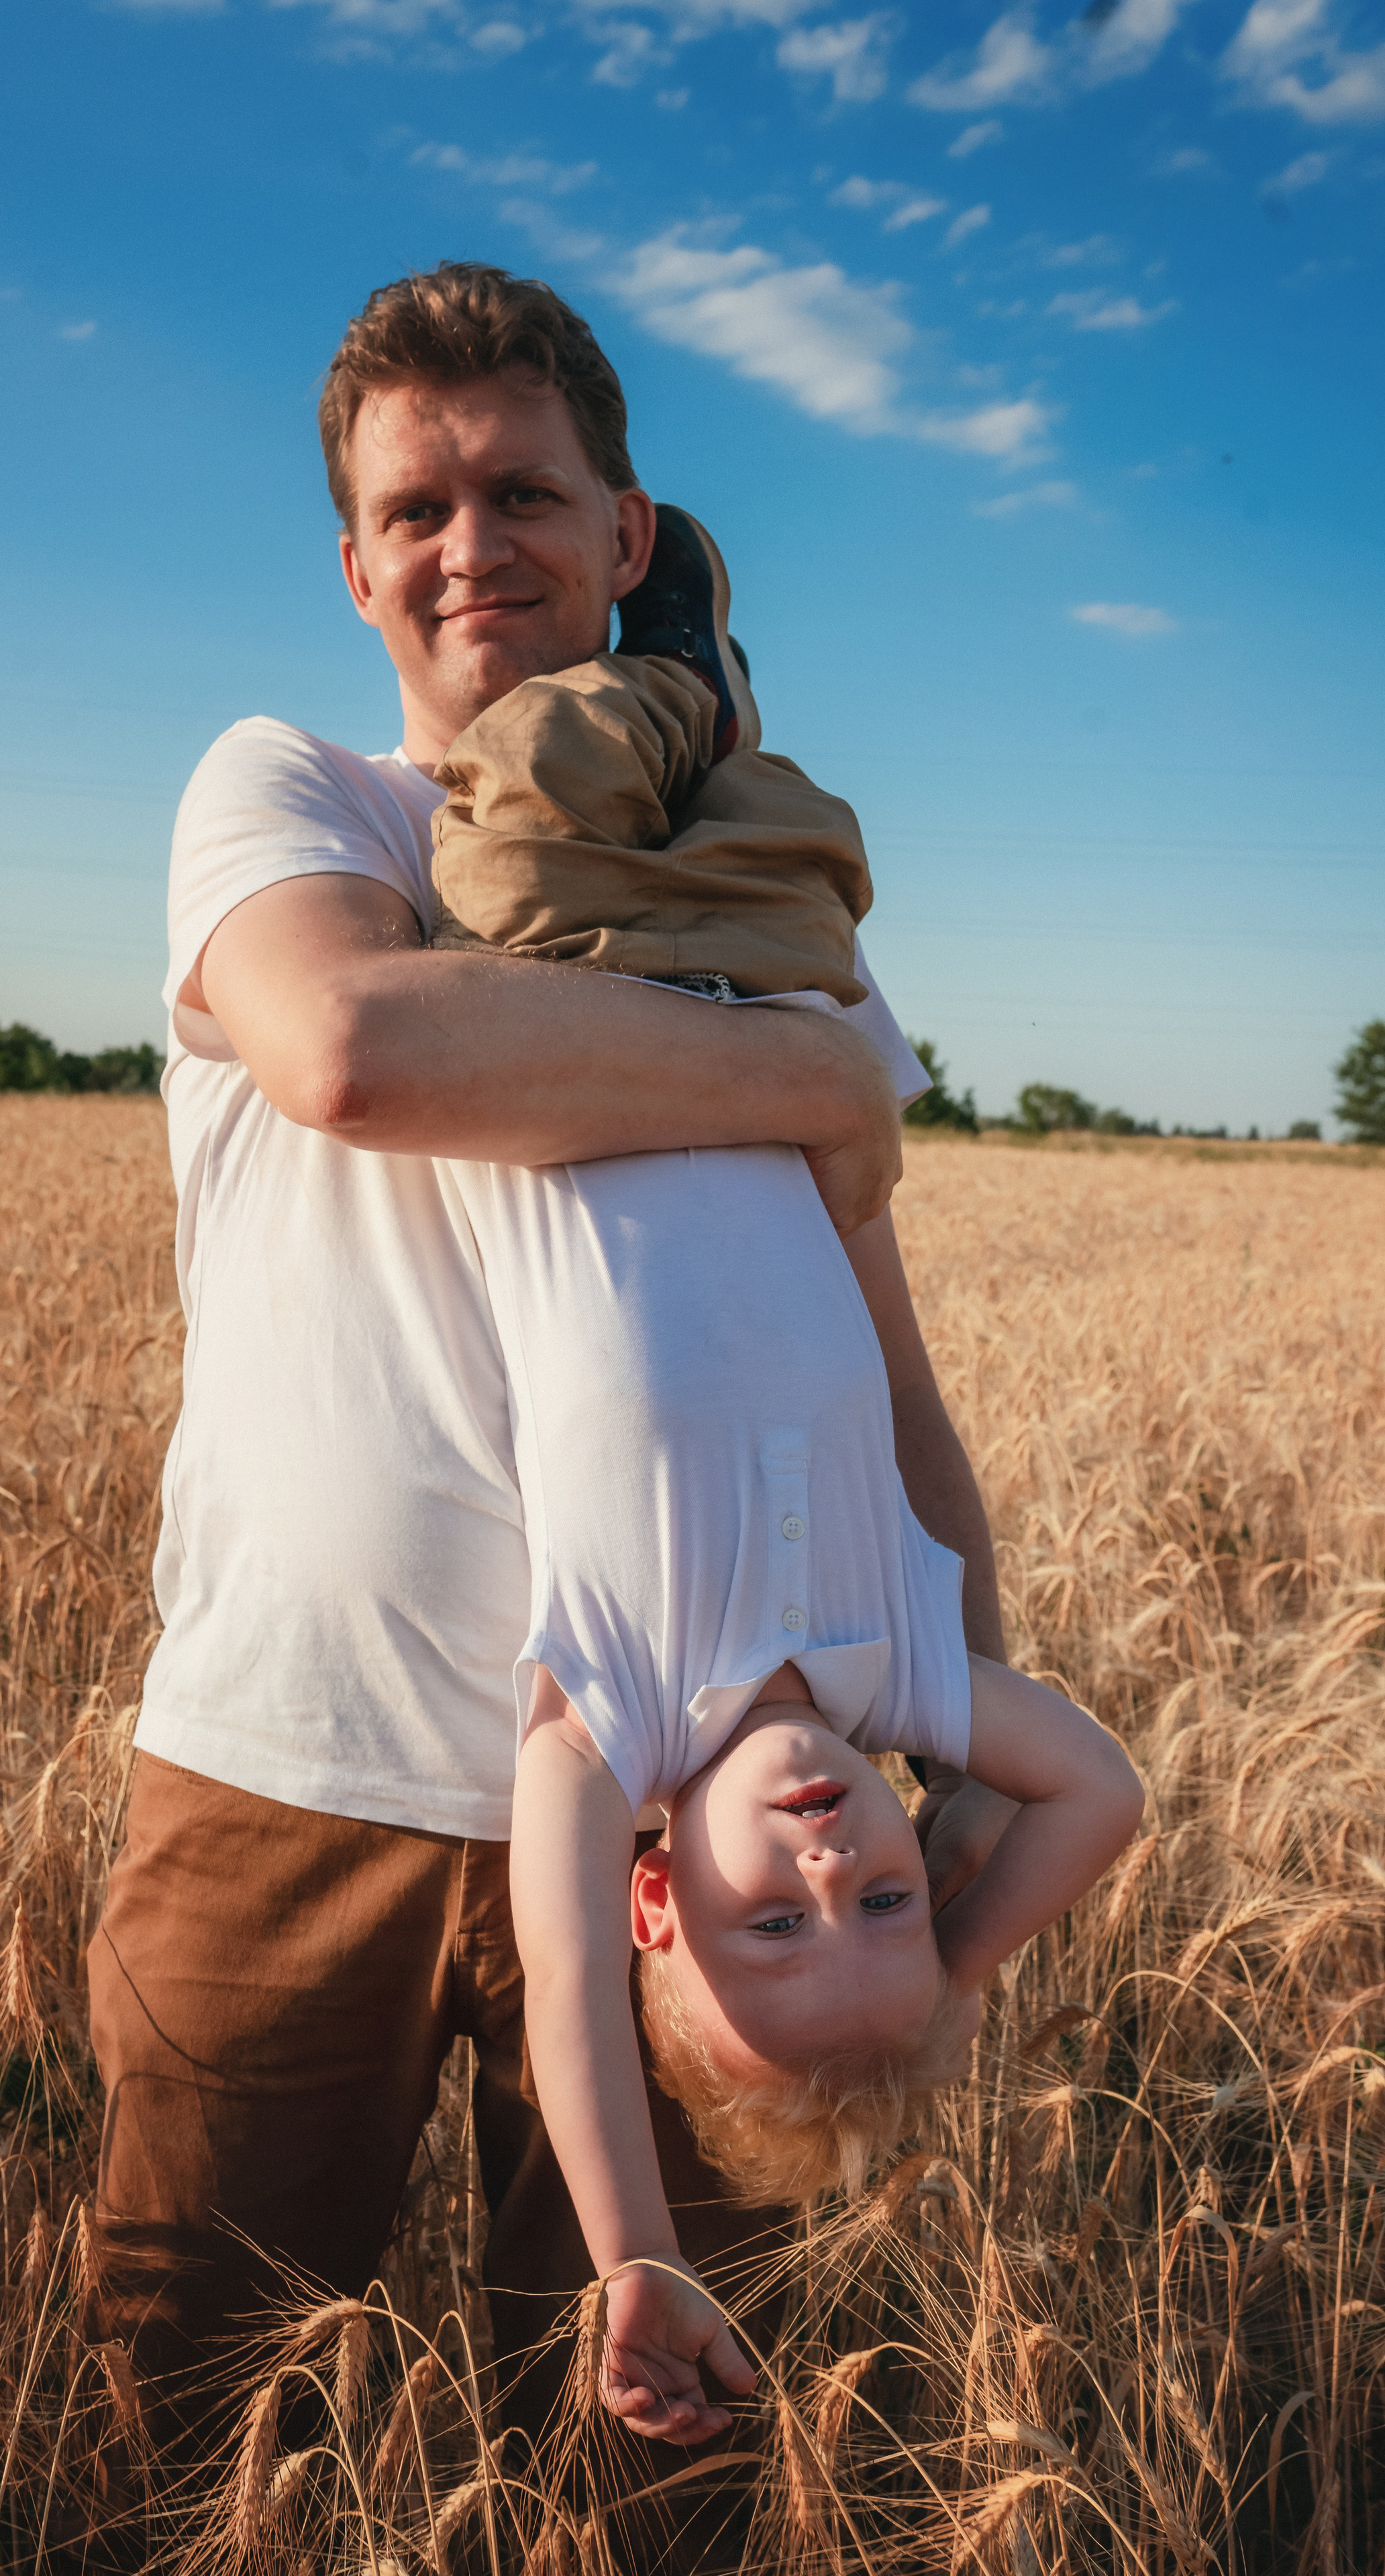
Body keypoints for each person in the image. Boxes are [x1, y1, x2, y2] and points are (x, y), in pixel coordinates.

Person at [87, 262, 1020, 2501]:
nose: (467, 547)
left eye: (525, 492)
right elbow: (350, 1046)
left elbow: (875, 1343)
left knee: (654, 2452)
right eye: (413, 509)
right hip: (286, 1763)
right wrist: (793, 1067)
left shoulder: (776, 902)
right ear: (352, 563)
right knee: (198, 2432)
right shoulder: (293, 796)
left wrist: (970, 1698)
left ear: (627, 536)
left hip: (691, 1797)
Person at [413, 500, 1145, 2438]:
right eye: (884, 1902)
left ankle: (670, 677)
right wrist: (955, 1979)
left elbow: (564, 1993)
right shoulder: (899, 1675)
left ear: (662, 1898)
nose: (833, 1862)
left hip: (563, 1016)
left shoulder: (619, 1727)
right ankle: (710, 700)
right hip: (759, 1012)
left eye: (772, 1922)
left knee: (517, 801)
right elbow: (1102, 1792)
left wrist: (636, 2248)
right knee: (793, 828)